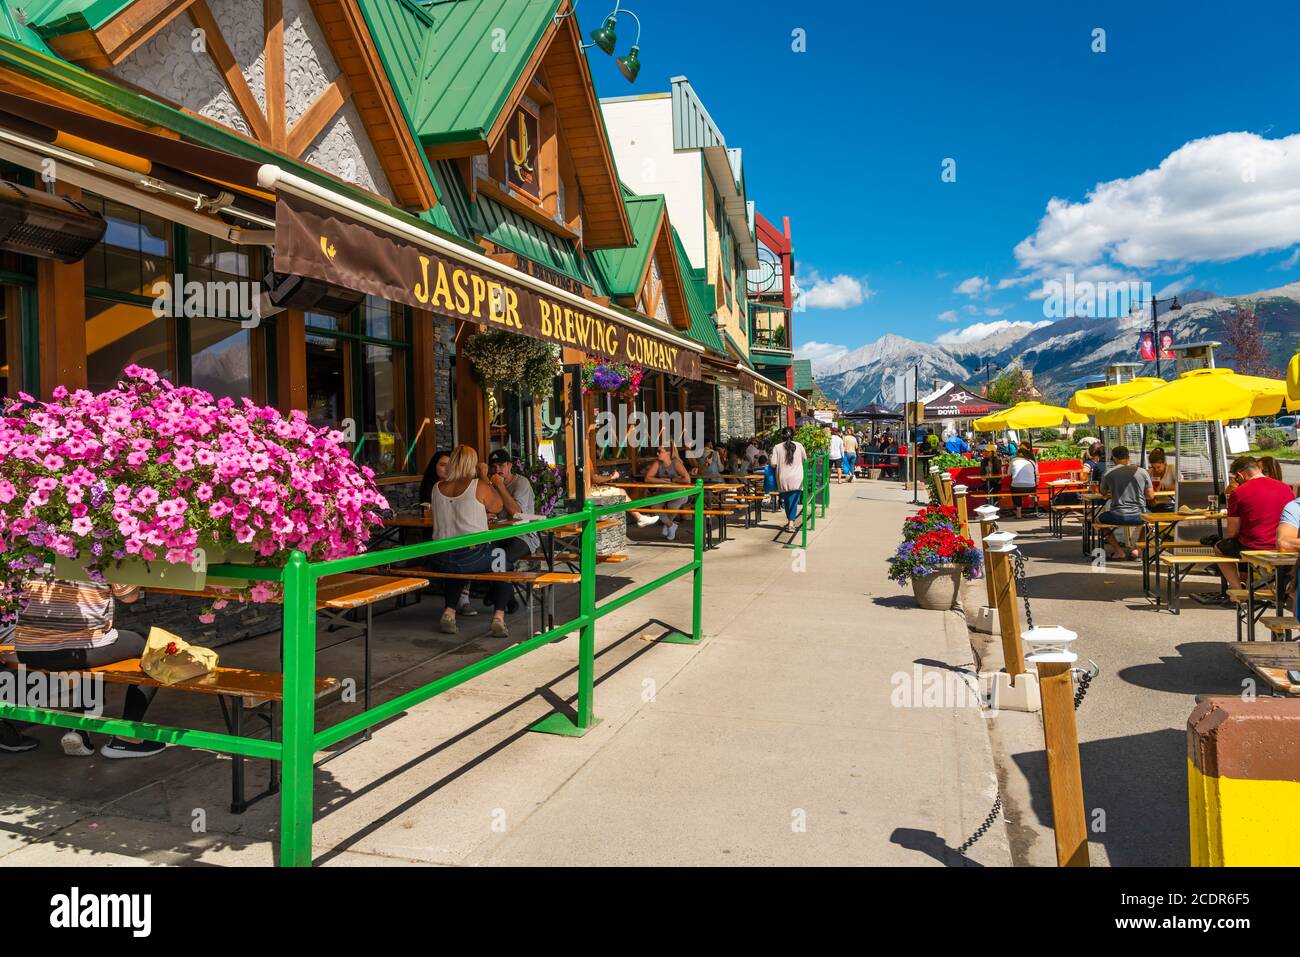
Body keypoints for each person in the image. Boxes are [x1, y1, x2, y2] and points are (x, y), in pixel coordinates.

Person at [11, 578, 165, 758]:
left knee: (101, 655)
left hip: (28, 650)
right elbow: (128, 596)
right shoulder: (106, 552)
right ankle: (127, 737)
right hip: (76, 649)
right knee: (154, 650)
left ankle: (80, 727)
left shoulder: (30, 551)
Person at [429, 445, 514, 638]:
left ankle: (449, 612)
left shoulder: (436, 487)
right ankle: (499, 617)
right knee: (504, 562)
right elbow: (498, 505)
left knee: (456, 564)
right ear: (472, 464)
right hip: (472, 556)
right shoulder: (478, 485)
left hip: (440, 557)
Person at [1214, 456, 1296, 592]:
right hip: (1282, 545)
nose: (1237, 482)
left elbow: (1232, 532)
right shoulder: (1286, 488)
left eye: (1236, 478)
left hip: (1254, 546)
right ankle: (1262, 585)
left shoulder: (1238, 492)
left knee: (1219, 547)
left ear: (1241, 474)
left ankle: (1237, 588)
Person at [1097, 446, 1155, 561]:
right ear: (1128, 457)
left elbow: (1103, 493)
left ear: (1114, 458)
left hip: (1117, 515)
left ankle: (1119, 551)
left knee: (1098, 520)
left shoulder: (1108, 473)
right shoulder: (1142, 472)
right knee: (1152, 520)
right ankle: (1137, 549)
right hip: (1139, 515)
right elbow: (1150, 496)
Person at [486, 449, 539, 569]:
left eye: (501, 465)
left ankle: (504, 585)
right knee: (483, 555)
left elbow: (516, 513)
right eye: (494, 467)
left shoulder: (521, 482)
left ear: (509, 465)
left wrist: (500, 486)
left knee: (499, 561)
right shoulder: (490, 484)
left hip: (523, 535)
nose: (497, 470)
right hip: (499, 533)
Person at [644, 445, 691, 541]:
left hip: (678, 492)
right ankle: (670, 525)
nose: (657, 453)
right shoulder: (657, 463)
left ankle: (668, 524)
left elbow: (687, 480)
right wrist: (663, 481)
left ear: (668, 452)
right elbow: (648, 478)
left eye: (660, 451)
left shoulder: (676, 463)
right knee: (654, 505)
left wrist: (671, 479)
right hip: (663, 491)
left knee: (671, 507)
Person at [769, 427, 808, 532]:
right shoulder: (799, 445)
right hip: (797, 478)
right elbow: (805, 459)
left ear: (782, 435)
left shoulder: (777, 447)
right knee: (793, 501)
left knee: (787, 501)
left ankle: (790, 521)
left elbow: (773, 464)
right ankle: (791, 522)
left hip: (783, 478)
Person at [1008, 446, 1039, 519]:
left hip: (1017, 488)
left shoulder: (1013, 460)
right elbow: (1037, 475)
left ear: (1019, 454)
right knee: (1029, 489)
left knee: (1014, 489)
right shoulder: (1032, 462)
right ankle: (1035, 507)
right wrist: (1036, 484)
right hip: (1031, 487)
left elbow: (1008, 474)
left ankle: (1018, 513)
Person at [1145, 447, 1176, 512]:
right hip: (1154, 505)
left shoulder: (1172, 469)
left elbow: (1181, 486)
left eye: (1158, 467)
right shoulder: (1149, 472)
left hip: (1169, 504)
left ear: (1164, 463)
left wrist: (1164, 488)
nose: (1156, 470)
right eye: (1153, 467)